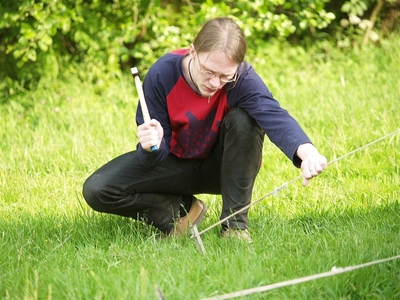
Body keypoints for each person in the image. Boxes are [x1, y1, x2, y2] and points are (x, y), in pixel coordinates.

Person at [83, 17, 327, 242]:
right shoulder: (162, 74)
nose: (214, 83)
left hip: (223, 170)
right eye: (209, 72)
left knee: (246, 118)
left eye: (224, 77)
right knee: (98, 189)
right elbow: (154, 157)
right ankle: (180, 212)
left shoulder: (241, 79)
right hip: (172, 164)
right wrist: (151, 145)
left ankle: (234, 227)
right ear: (192, 52)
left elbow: (274, 115)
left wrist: (307, 154)